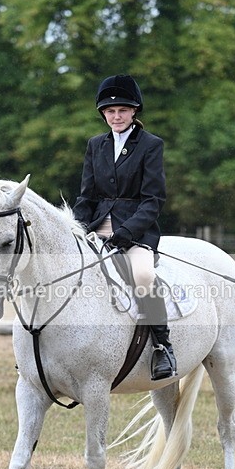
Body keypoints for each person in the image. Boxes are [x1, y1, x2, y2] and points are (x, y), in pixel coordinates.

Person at [73, 74, 177, 380]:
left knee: (143, 275)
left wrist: (127, 232)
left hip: (137, 230)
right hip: (97, 226)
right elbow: (86, 195)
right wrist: (77, 227)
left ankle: (162, 347)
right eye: (110, 111)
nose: (116, 116)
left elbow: (153, 199)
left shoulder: (150, 145)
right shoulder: (95, 145)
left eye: (122, 110)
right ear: (103, 114)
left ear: (134, 112)